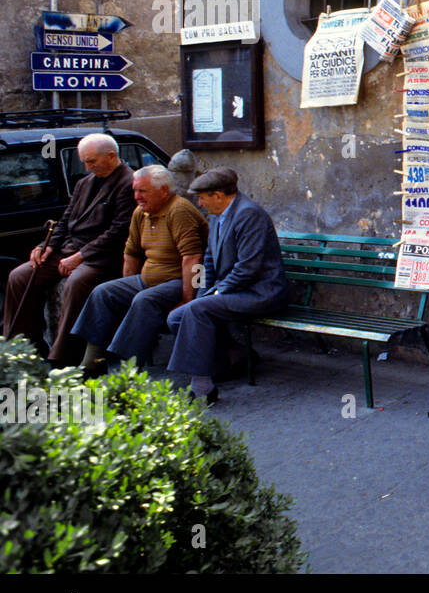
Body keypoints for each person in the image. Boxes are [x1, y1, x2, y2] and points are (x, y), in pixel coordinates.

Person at [4, 133, 135, 365]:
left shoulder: (128, 183)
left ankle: (62, 358)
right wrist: (46, 247)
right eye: (84, 161)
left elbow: (118, 232)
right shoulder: (85, 182)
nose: (87, 166)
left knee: (77, 283)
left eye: (92, 161)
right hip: (69, 250)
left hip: (102, 257)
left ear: (111, 156)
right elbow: (65, 220)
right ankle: (23, 348)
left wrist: (80, 256)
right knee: (19, 276)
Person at [166, 168, 290, 403]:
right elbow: (209, 259)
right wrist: (201, 293)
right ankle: (233, 357)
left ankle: (203, 387)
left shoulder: (249, 215)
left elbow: (248, 268)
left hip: (262, 292)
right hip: (235, 290)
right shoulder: (216, 216)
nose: (200, 204)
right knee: (177, 317)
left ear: (218, 196)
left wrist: (214, 294)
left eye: (202, 198)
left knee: (198, 310)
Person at [71, 165, 207, 375]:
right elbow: (131, 253)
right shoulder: (141, 213)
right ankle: (92, 362)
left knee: (144, 300)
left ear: (164, 191)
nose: (137, 197)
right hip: (150, 279)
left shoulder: (179, 211)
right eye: (135, 191)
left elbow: (193, 258)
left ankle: (128, 370)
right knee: (103, 292)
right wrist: (128, 286)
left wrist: (189, 299)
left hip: (182, 280)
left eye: (142, 191)